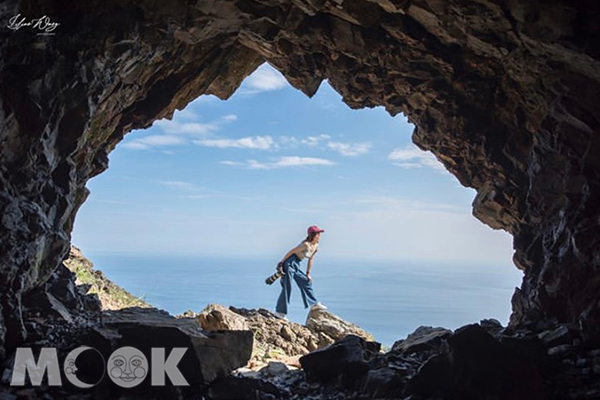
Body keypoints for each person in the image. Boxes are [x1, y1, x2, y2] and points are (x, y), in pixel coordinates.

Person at [274, 225, 327, 321]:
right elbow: (292, 252)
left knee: (306, 281)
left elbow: (311, 259)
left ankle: (314, 304)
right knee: (287, 287)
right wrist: (281, 263)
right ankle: (279, 312)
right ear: (313, 235)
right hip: (289, 263)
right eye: (318, 233)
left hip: (296, 264)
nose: (319, 235)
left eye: (319, 233)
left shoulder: (316, 246)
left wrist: (308, 273)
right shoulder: (305, 245)